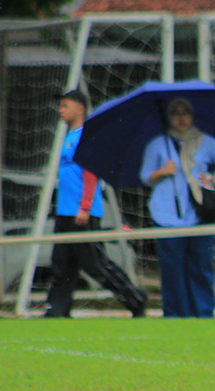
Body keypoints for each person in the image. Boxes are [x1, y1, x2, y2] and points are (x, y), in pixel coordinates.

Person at [44, 90, 147, 319]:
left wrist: (85, 205)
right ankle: (57, 311)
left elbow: (91, 172)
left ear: (80, 109)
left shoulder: (85, 136)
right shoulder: (69, 137)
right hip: (65, 212)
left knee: (95, 264)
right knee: (62, 263)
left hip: (82, 212)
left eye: (65, 105)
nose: (61, 110)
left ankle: (135, 299)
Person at [139, 97, 215, 318]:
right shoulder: (158, 143)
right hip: (166, 214)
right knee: (172, 268)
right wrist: (162, 172)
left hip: (199, 212)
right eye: (176, 113)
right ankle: (175, 314)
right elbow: (145, 176)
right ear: (169, 117)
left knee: (201, 265)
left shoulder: (204, 141)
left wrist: (214, 179)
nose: (181, 118)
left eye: (185, 113)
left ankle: (203, 312)